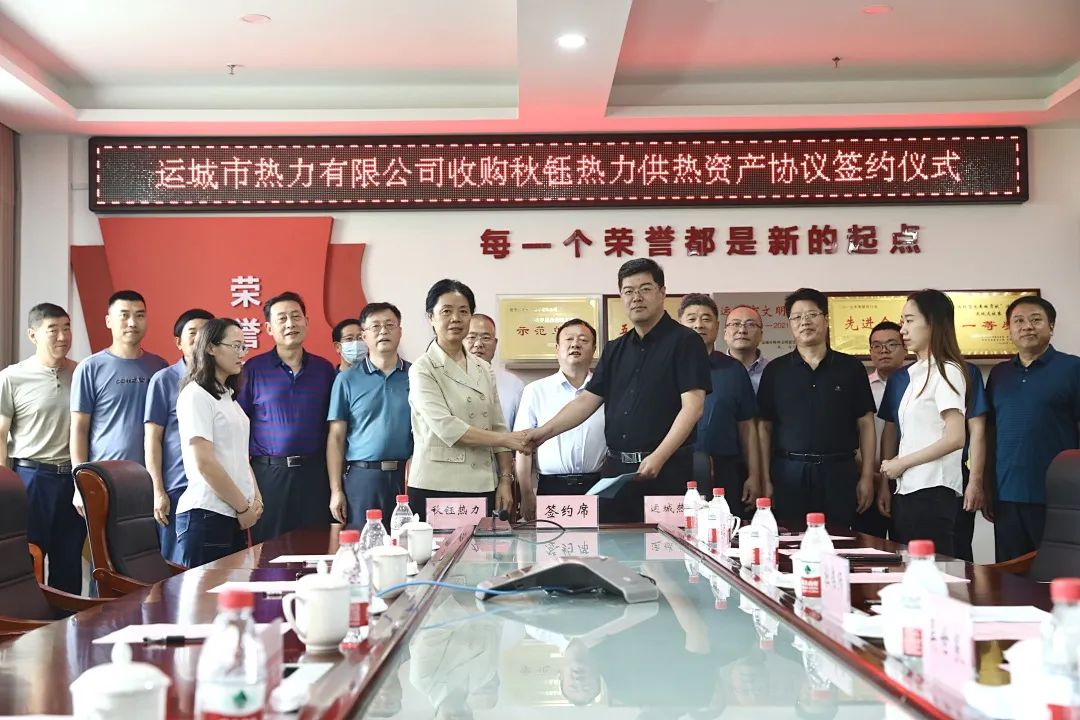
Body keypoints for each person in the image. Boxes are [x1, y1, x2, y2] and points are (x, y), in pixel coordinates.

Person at [524, 259, 711, 523]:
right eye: (628, 291)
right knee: (614, 542)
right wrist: (542, 433)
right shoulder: (615, 349)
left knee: (665, 545)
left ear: (662, 292)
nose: (636, 297)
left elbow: (693, 407)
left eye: (645, 289)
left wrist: (659, 456)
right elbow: (586, 401)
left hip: (667, 469)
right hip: (616, 473)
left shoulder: (686, 341)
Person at [408, 279, 531, 520]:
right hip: (437, 485)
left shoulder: (483, 368)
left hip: (482, 483)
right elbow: (447, 427)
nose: (456, 318)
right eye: (446, 311)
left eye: (463, 311)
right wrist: (507, 439)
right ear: (431, 318)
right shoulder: (423, 368)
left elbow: (498, 425)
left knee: (482, 546)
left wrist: (505, 480)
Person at [757, 288, 876, 529]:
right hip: (788, 472)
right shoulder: (775, 371)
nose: (805, 322)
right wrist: (765, 478)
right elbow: (764, 428)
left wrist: (866, 477)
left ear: (826, 319)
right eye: (797, 317)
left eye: (812, 314)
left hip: (839, 472)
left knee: (839, 541)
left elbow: (866, 424)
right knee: (791, 540)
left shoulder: (851, 368)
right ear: (790, 324)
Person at [986, 295, 1080, 561]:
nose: (1027, 326)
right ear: (1009, 329)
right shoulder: (999, 374)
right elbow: (990, 434)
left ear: (1051, 326)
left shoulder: (1073, 368)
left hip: (1059, 496)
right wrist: (987, 487)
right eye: (1019, 321)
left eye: (1036, 320)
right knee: (1009, 574)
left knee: (1058, 573)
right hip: (1006, 495)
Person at [238, 291, 336, 543]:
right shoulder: (252, 370)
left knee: (317, 548)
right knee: (270, 550)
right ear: (269, 328)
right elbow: (238, 427)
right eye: (282, 319)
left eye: (296, 316)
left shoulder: (324, 370)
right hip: (269, 476)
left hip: (315, 475)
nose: (290, 323)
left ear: (307, 322)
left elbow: (334, 428)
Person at [878, 343, 989, 562]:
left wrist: (975, 480)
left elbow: (965, 433)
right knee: (910, 559)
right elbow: (899, 432)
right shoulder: (909, 374)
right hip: (907, 482)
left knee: (949, 558)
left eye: (909, 324)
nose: (904, 331)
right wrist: (890, 474)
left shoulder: (954, 371)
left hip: (941, 480)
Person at [877, 290, 968, 554]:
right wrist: (898, 465)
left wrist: (902, 462)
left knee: (934, 570)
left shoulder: (947, 370)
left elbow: (956, 437)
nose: (903, 329)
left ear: (933, 322)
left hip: (932, 489)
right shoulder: (915, 374)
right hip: (910, 489)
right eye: (902, 321)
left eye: (909, 320)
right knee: (910, 568)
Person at [0, 303, 82, 593]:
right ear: (32, 335)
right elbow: (1, 434)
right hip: (31, 478)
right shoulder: (12, 377)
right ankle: (26, 620)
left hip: (73, 479)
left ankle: (68, 621)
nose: (62, 336)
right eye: (53, 330)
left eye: (67, 328)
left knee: (69, 562)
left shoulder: (81, 373)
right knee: (26, 560)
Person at [70, 290, 168, 516]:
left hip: (150, 480)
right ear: (109, 321)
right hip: (104, 479)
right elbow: (79, 429)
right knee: (106, 539)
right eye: (124, 315)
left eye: (139, 315)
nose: (132, 322)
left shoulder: (160, 367)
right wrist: (79, 483)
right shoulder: (90, 368)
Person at [175, 319, 263, 568]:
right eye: (235, 346)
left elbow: (239, 457)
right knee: (208, 593)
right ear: (211, 347)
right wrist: (243, 507)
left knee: (236, 592)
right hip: (207, 514)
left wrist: (255, 498)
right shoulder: (195, 395)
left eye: (243, 347)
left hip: (234, 513)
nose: (241, 354)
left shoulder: (227, 397)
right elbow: (205, 463)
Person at [327, 302, 412, 529]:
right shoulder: (346, 380)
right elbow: (336, 438)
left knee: (409, 542)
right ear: (364, 336)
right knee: (365, 544)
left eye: (389, 325)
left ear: (400, 331)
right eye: (375, 326)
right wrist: (336, 490)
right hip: (363, 478)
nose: (383, 331)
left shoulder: (417, 375)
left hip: (407, 476)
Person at [513, 318, 607, 521]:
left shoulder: (608, 392)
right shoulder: (535, 391)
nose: (575, 344)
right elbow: (523, 447)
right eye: (569, 339)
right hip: (552, 487)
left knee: (598, 540)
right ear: (557, 348)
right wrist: (526, 493)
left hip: (598, 486)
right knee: (552, 540)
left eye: (583, 340)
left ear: (594, 350)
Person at [678, 294, 761, 513]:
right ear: (680, 325)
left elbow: (747, 427)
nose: (699, 325)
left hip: (726, 471)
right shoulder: (665, 368)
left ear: (717, 326)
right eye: (691, 319)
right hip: (677, 468)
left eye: (706, 319)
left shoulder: (734, 370)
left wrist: (754, 475)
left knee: (726, 527)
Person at [144, 308, 213, 563]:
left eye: (206, 333)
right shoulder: (164, 380)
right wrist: (158, 490)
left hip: (218, 490)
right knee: (178, 569)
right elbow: (152, 439)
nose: (199, 339)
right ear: (178, 342)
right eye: (192, 333)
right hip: (179, 490)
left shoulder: (224, 380)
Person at [854, 321, 906, 538]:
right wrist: (871, 475)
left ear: (905, 348)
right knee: (868, 547)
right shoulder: (860, 387)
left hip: (909, 483)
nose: (884, 351)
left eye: (892, 344)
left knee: (906, 548)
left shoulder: (917, 385)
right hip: (866, 480)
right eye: (877, 346)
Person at [466, 313, 525, 430]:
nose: (478, 344)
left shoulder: (514, 384)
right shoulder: (445, 380)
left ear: (495, 343)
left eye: (486, 338)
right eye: (471, 337)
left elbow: (522, 432)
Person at [724, 305, 769, 393]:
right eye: (736, 324)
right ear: (725, 333)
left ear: (761, 335)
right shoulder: (711, 370)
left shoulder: (774, 371)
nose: (742, 330)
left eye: (750, 324)